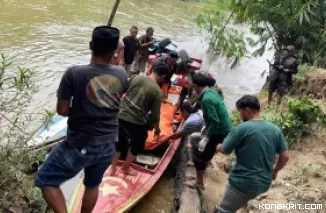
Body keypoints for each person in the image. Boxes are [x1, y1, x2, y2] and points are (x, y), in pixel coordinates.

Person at [34, 26, 129, 213]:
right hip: (109, 143)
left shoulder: (74, 73)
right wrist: (117, 53)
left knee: (45, 178)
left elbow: (62, 110)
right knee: (92, 184)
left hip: (80, 143)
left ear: (90, 45)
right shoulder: (122, 74)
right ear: (114, 52)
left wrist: (81, 109)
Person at [214, 95, 289, 213]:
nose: (240, 115)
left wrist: (219, 147)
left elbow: (225, 150)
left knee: (223, 210)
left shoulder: (242, 128)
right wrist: (275, 171)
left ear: (246, 110)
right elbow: (285, 156)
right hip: (264, 184)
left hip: (242, 183)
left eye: (240, 111)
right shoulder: (275, 130)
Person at [109, 61, 169, 176]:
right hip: (136, 121)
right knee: (137, 144)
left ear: (153, 69)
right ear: (163, 76)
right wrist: (157, 130)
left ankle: (112, 171)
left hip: (120, 115)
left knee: (118, 144)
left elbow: (122, 90)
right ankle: (125, 168)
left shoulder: (136, 77)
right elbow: (155, 116)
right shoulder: (157, 91)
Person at [185, 73, 232, 189]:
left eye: (191, 85)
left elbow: (215, 121)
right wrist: (206, 128)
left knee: (198, 154)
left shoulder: (206, 99)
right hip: (223, 129)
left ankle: (199, 183)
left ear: (195, 85)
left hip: (219, 131)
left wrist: (206, 138)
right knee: (206, 153)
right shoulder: (211, 92)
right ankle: (199, 176)